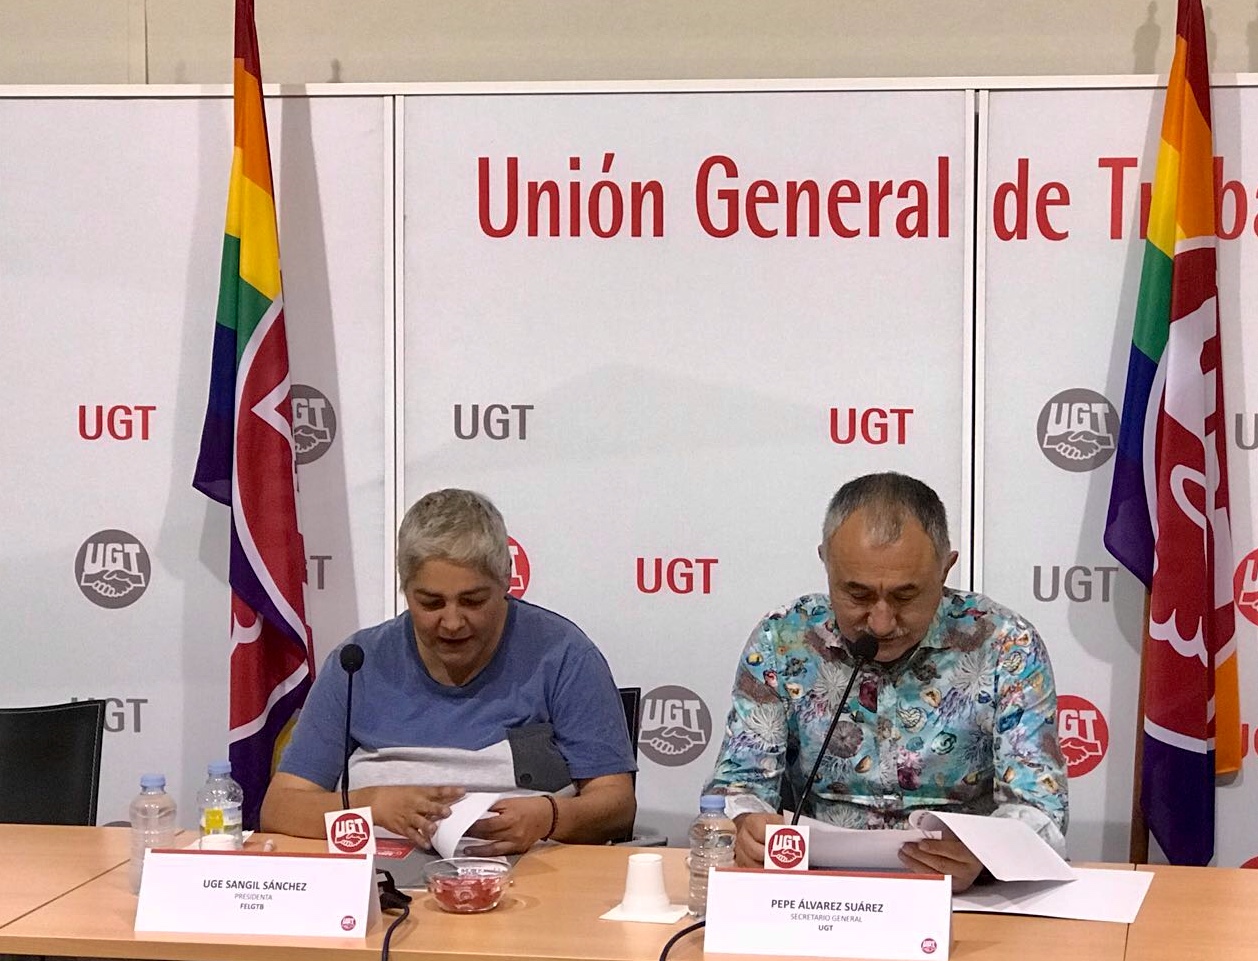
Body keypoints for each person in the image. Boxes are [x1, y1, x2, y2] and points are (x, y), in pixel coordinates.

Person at [704, 472, 1068, 891]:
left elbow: (1040, 809)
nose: (880, 623)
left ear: (945, 569)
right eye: (857, 595)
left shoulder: (1005, 644)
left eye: (905, 596)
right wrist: (745, 824)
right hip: (815, 894)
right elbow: (737, 786)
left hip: (964, 895)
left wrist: (987, 856)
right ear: (826, 562)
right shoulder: (783, 639)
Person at [260, 489, 636, 854]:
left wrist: (550, 817)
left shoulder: (564, 655)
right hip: (382, 881)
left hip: (532, 878)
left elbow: (617, 804)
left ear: (506, 579)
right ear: (405, 587)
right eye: (431, 603)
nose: (452, 622)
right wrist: (369, 805)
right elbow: (280, 809)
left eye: (473, 601)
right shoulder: (356, 663)